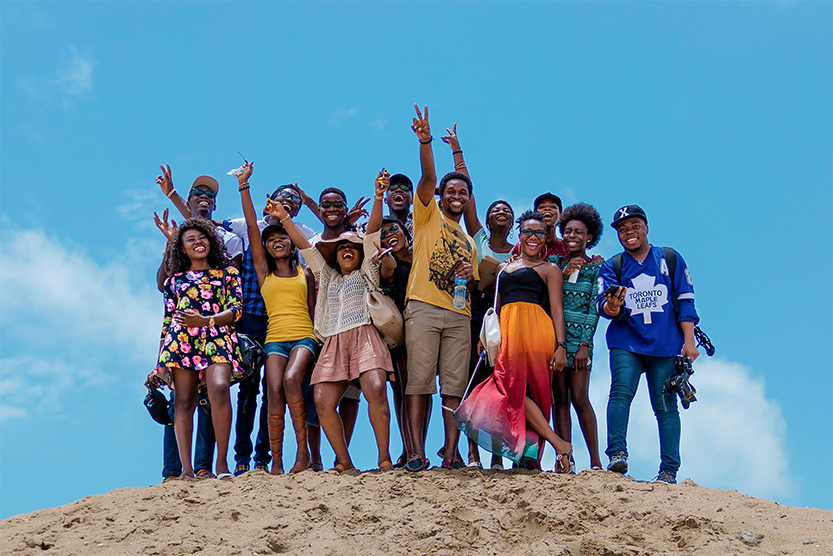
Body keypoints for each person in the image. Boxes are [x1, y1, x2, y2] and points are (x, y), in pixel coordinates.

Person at [269, 172, 395, 472]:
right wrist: (284, 219)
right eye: (341, 248)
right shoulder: (325, 275)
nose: (347, 249)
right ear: (335, 255)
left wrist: (378, 196)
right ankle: (345, 461)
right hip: (333, 341)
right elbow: (304, 246)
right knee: (323, 401)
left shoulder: (367, 270)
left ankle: (384, 458)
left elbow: (374, 230)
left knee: (376, 389)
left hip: (365, 336)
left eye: (352, 245)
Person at [455, 211, 573, 470]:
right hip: (507, 333)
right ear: (519, 235)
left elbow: (556, 310)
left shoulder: (550, 269)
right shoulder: (502, 267)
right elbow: (494, 308)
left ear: (545, 238)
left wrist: (561, 345)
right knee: (509, 390)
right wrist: (485, 338)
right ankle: (558, 444)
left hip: (537, 333)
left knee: (533, 392)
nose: (533, 237)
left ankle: (531, 458)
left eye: (539, 233)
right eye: (528, 232)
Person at [597, 205, 699, 484]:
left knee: (665, 405)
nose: (629, 232)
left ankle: (669, 470)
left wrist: (689, 342)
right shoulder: (613, 265)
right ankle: (617, 454)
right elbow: (604, 308)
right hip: (626, 342)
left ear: (646, 228)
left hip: (666, 344)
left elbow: (685, 301)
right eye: (622, 229)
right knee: (620, 394)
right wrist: (613, 304)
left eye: (635, 226)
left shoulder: (670, 258)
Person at [222, 182, 320, 474]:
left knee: (282, 387)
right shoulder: (263, 270)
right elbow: (252, 226)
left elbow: (315, 250)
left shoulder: (304, 269)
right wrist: (243, 186)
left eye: (283, 238)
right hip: (258, 326)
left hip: (301, 334)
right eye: (272, 239)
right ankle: (253, 457)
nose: (278, 241)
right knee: (252, 391)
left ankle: (280, 456)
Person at [403, 105, 480, 472]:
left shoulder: (470, 241)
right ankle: (416, 453)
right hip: (423, 306)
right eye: (451, 190)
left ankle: (451, 455)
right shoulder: (427, 214)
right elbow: (428, 176)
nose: (457, 195)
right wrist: (427, 142)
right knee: (419, 382)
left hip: (459, 314)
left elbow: (476, 279)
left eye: (463, 192)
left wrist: (469, 272)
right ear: (441, 194)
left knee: (453, 386)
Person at [442, 122, 513, 470]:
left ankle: (498, 455)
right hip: (476, 315)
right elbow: (468, 190)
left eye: (507, 211)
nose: (501, 212)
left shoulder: (521, 251)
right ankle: (471, 454)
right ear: (484, 219)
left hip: (507, 321)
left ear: (514, 222)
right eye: (494, 210)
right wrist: (458, 151)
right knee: (472, 383)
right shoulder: (479, 239)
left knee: (499, 387)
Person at [149, 217, 243, 478]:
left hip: (217, 337)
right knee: (183, 403)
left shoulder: (228, 274)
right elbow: (167, 322)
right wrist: (158, 364)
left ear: (211, 242)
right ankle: (187, 470)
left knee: (220, 389)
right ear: (181, 248)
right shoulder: (173, 282)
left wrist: (206, 321)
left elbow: (236, 311)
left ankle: (222, 465)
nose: (198, 242)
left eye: (202, 237)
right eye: (190, 239)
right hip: (180, 342)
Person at [548, 203, 605, 471]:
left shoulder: (596, 268)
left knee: (580, 396)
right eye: (568, 231)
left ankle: (595, 461)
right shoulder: (554, 264)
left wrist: (584, 344)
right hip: (556, 340)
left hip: (581, 342)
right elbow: (548, 297)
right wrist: (565, 271)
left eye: (578, 232)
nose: (572, 236)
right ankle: (565, 458)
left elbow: (594, 307)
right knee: (559, 397)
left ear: (589, 237)